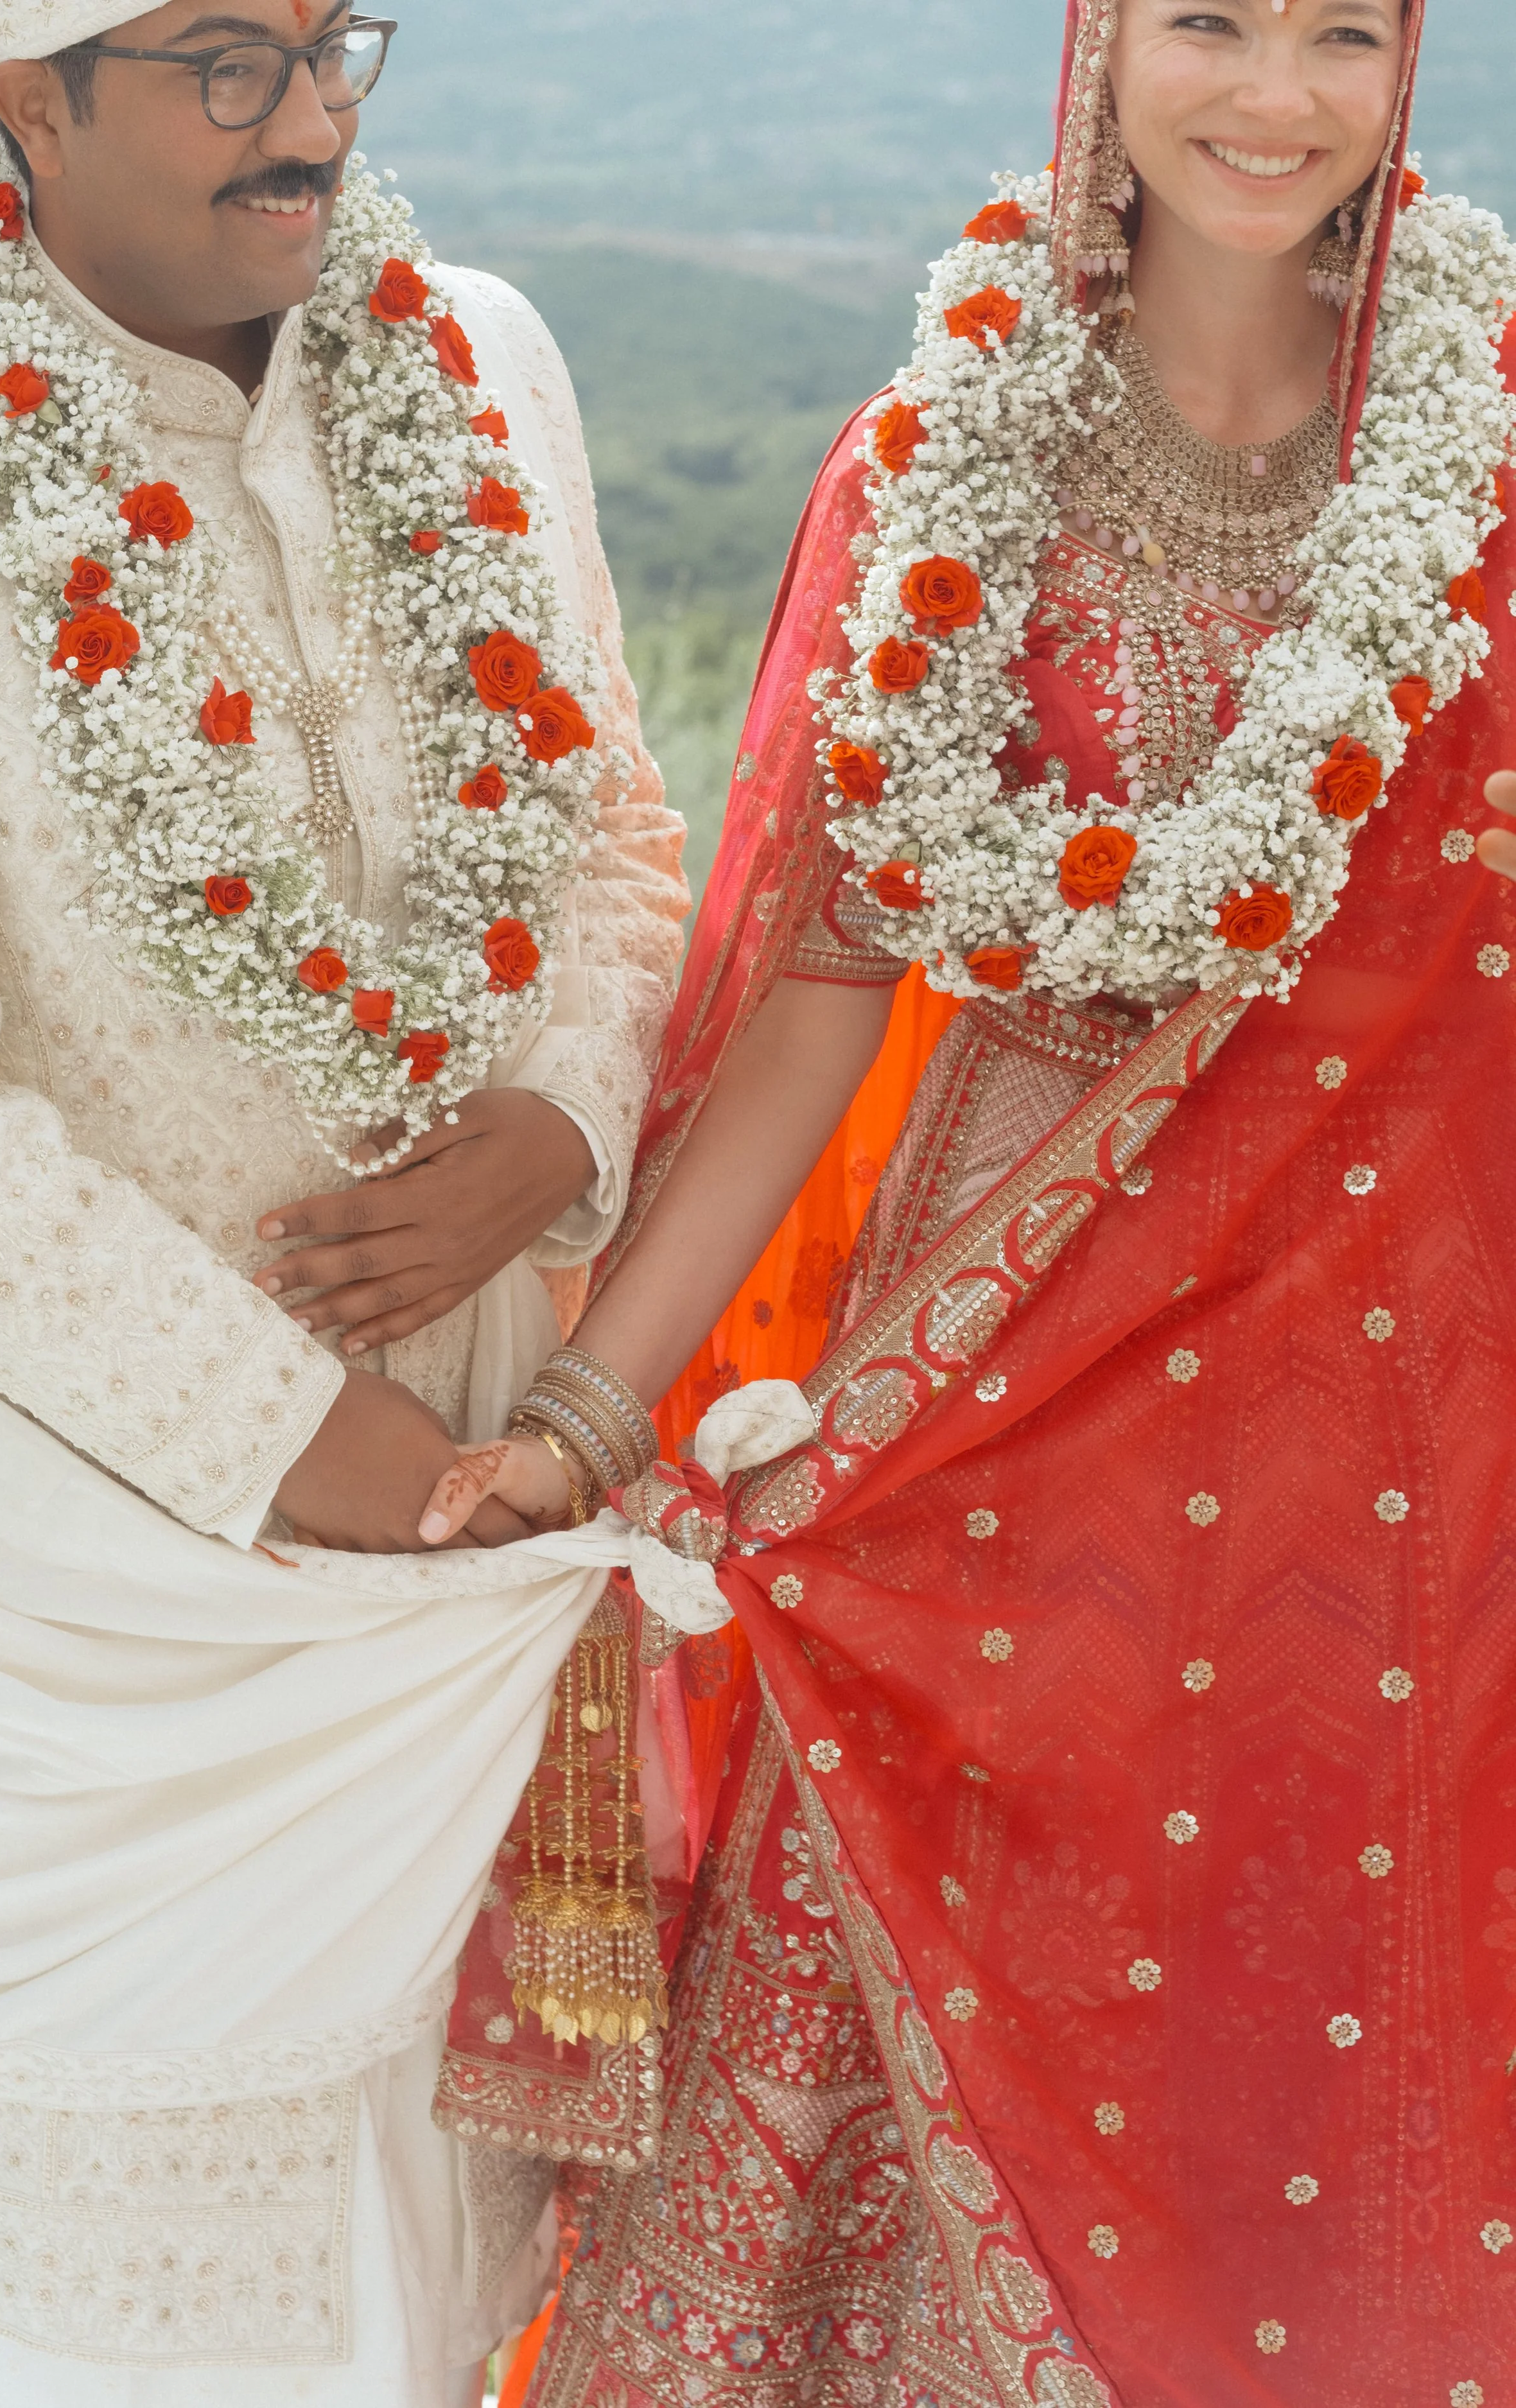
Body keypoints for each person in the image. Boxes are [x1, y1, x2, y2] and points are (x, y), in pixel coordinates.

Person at [430, 1, 1516, 2399]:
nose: (1273, 94)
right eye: (1206, 20)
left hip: (1384, 1479)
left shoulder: (1490, 456)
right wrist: (600, 1415)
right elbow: (813, 997)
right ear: (1098, 46)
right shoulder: (943, 461)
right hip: (975, 1449)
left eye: (1343, 29)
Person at [0, 1, 687, 2400]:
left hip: (483, 1507)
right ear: (24, 98)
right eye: (226, 66)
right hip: (107, 1577)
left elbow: (620, 834)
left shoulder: (482, 359)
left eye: (342, 40)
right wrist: (338, 1473)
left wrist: (556, 1125)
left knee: (446, 2282)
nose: (321, 122)